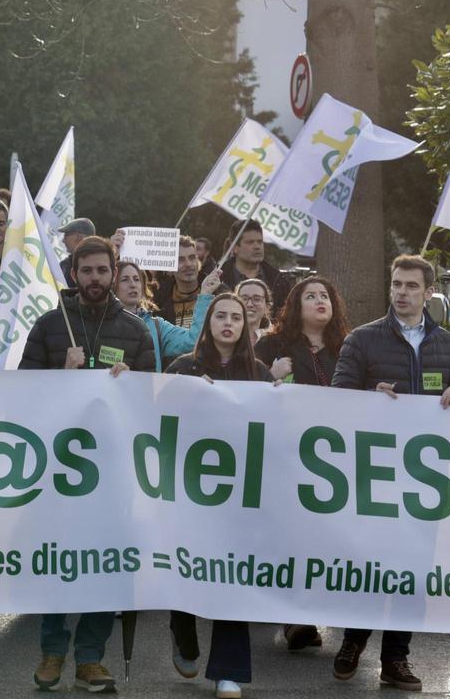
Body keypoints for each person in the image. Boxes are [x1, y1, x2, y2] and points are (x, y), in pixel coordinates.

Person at [329, 254, 450, 692]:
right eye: (396, 284)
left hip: (425, 481)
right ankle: (352, 642)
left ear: (429, 292)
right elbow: (337, 398)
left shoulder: (449, 345)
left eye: (411, 286)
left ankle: (396, 659)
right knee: (369, 564)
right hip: (373, 475)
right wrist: (368, 397)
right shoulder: (362, 339)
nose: (401, 292)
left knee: (413, 570)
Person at [20, 236, 154, 693]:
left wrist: (134, 384)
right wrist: (64, 374)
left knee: (109, 563)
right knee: (59, 561)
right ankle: (52, 650)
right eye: (86, 271)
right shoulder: (48, 326)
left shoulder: (136, 331)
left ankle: (91, 658)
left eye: (102, 270)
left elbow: (151, 400)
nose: (94, 279)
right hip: (59, 471)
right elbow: (20, 394)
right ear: (74, 274)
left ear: (113, 273)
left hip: (115, 471)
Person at [166, 292, 274, 699]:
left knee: (233, 578)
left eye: (236, 317)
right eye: (220, 316)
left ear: (246, 326)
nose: (228, 322)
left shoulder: (259, 373)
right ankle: (182, 629)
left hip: (239, 496)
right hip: (189, 490)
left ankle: (228, 671)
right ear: (208, 322)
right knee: (189, 568)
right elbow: (158, 415)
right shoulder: (182, 367)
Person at [253, 276, 350, 653]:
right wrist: (269, 375)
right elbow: (243, 388)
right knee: (293, 538)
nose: (319, 300)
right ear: (296, 306)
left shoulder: (348, 346)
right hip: (286, 456)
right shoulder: (272, 345)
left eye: (325, 295)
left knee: (330, 538)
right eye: (310, 296)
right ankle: (296, 617)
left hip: (336, 461)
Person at [114, 260, 219, 372]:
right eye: (125, 280)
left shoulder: (158, 326)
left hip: (149, 389)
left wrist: (205, 294)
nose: (133, 285)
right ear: (113, 286)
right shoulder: (102, 322)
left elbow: (193, 341)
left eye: (136, 279)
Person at [217, 220, 293, 315]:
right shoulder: (217, 280)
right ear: (235, 247)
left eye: (260, 242)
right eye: (250, 242)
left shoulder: (279, 281)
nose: (257, 247)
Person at [151, 235, 214, 328]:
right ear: (169, 266)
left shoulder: (216, 293)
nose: (188, 264)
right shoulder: (157, 301)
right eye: (180, 260)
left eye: (192, 258)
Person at [57, 218, 95, 285]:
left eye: (66, 235)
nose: (63, 240)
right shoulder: (65, 264)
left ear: (78, 237)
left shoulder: (66, 265)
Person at [236, 279, 273, 345]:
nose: (249, 304)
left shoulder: (277, 338)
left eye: (256, 299)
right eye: (244, 299)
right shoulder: (224, 335)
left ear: (267, 307)